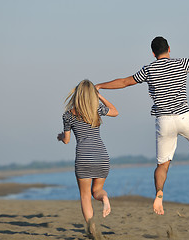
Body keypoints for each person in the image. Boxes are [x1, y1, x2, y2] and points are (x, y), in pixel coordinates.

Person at [95, 36, 189, 215]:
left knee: (162, 165)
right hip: (184, 116)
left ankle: (159, 193)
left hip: (164, 120)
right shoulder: (181, 63)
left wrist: (100, 86)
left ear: (153, 53)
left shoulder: (148, 69)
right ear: (169, 49)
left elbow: (125, 82)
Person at [57, 79, 118, 237]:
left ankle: (92, 230)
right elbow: (115, 111)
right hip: (101, 155)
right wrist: (100, 97)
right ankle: (104, 198)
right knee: (97, 191)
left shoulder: (68, 115)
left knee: (85, 196)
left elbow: (67, 139)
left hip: (84, 157)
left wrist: (60, 136)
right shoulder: (97, 109)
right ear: (92, 95)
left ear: (77, 95)